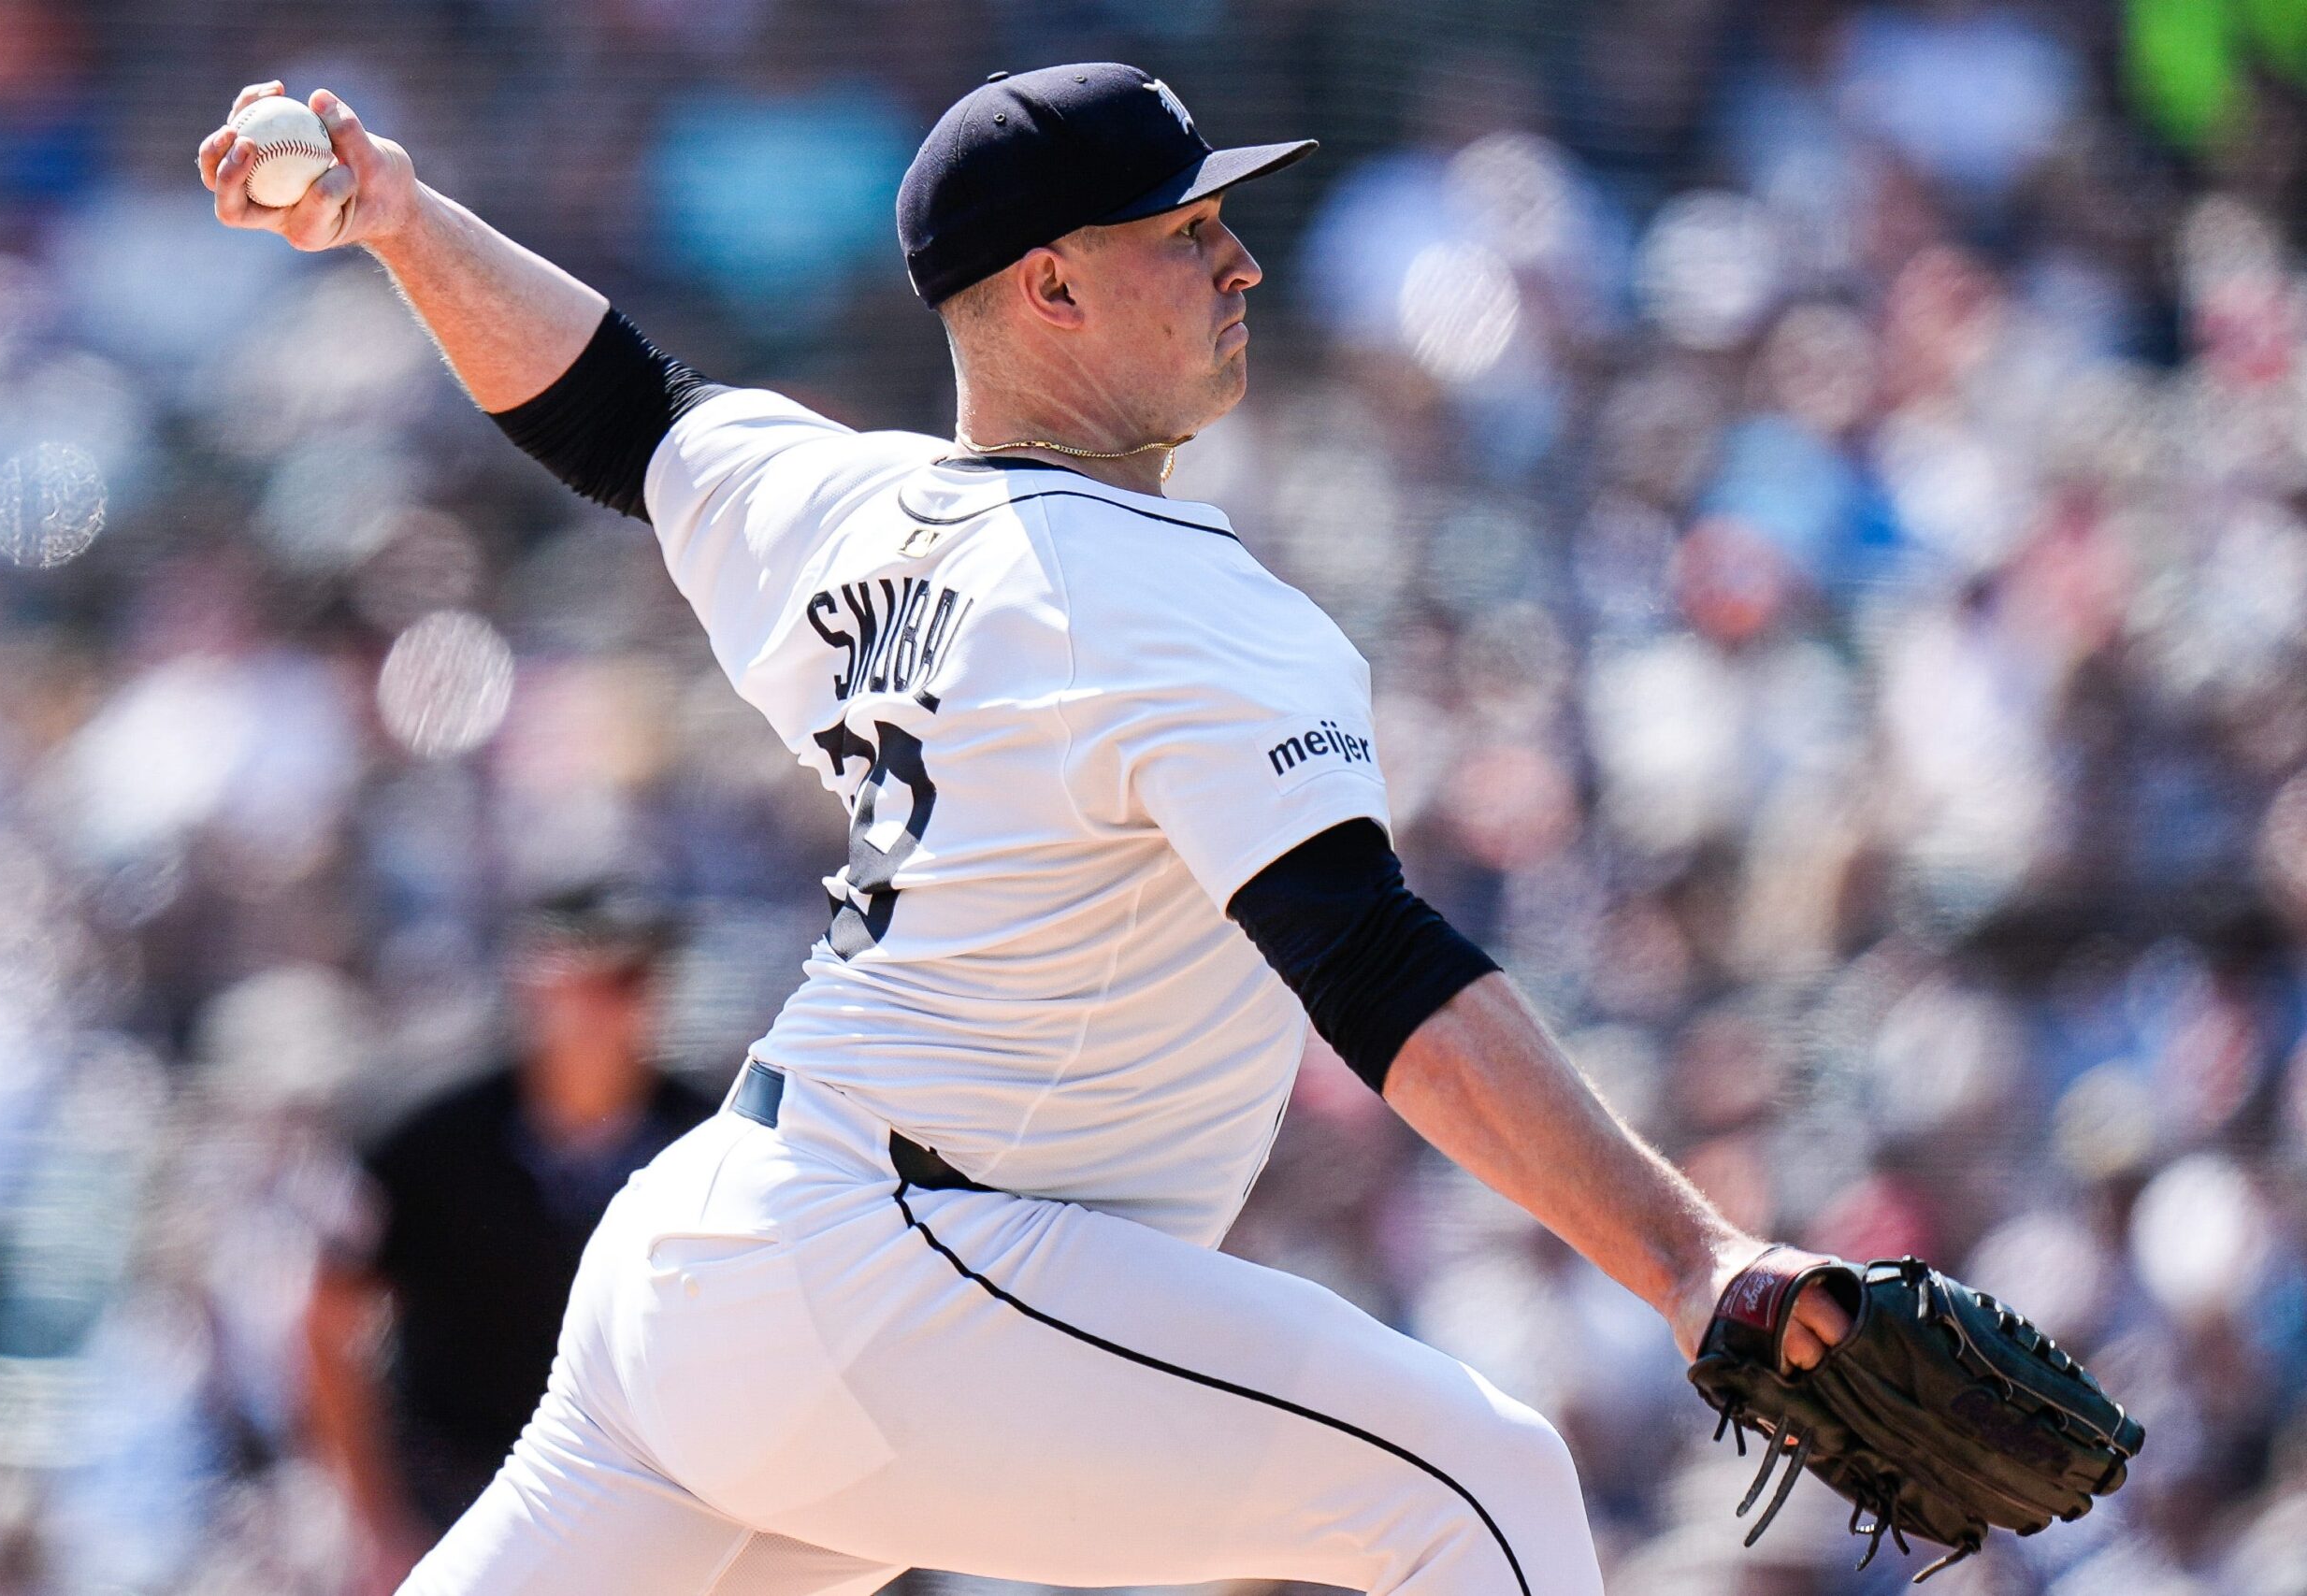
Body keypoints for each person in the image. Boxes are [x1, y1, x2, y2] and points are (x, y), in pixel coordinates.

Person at [203, 64, 1852, 1595]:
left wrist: (405, 225)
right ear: (1051, 285)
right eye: (1186, 230)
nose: (1240, 264)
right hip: (904, 1262)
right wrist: (1690, 1255)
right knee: (1477, 1484)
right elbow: (1371, 963)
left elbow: (618, 406)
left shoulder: (850, 504)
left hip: (708, 1267)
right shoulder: (1174, 606)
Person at [301, 884, 715, 1593]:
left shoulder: (709, 1144)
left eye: (624, 982)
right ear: (532, 983)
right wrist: (376, 1522)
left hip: (639, 1502)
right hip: (457, 1493)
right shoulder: (428, 1137)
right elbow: (327, 1319)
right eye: (578, 981)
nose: (598, 1009)